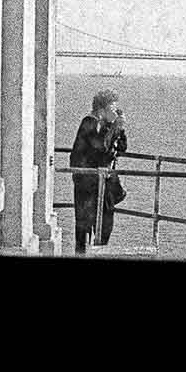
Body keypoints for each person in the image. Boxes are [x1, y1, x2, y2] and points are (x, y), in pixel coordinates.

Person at [69, 89, 128, 253]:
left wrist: (120, 129)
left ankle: (99, 252)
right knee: (84, 227)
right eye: (112, 109)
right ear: (102, 109)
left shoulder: (106, 126)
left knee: (105, 224)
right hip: (87, 183)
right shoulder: (89, 122)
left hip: (103, 182)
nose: (115, 112)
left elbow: (122, 148)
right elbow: (100, 147)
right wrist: (114, 127)